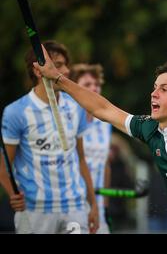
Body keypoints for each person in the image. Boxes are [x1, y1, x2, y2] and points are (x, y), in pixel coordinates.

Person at [36, 42, 167, 234]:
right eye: (155, 87)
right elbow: (103, 108)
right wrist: (58, 79)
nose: (154, 93)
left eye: (164, 89)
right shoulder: (148, 128)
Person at [0, 40, 99, 234]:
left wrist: (93, 204)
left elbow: (80, 159)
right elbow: (3, 164)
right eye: (59, 65)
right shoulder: (16, 112)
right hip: (35, 210)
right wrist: (12, 194)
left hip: (75, 208)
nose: (67, 70)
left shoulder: (76, 106)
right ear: (39, 71)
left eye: (65, 64)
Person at [70, 63, 112, 234]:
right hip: (72, 207)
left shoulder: (105, 122)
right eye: (87, 85)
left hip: (98, 209)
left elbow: (105, 164)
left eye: (97, 85)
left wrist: (105, 203)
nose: (94, 88)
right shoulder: (67, 120)